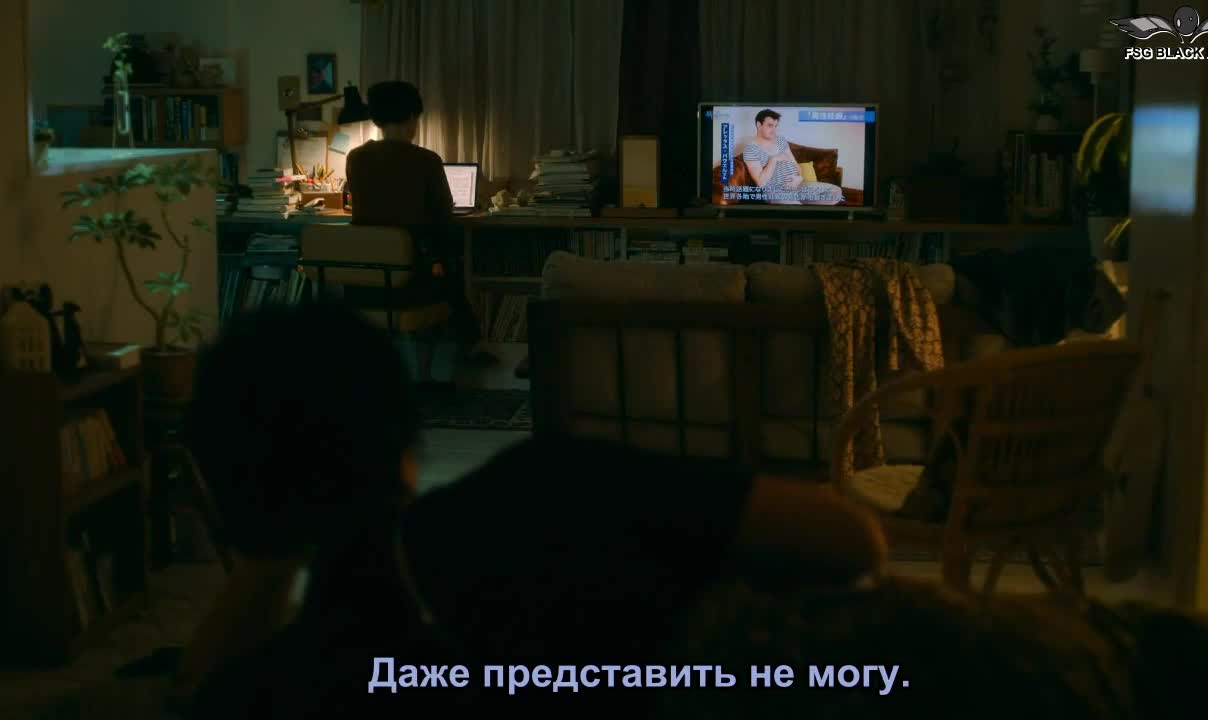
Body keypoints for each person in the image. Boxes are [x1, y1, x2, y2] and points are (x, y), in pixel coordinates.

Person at [175, 301, 888, 718]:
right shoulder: (551, 486)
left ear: (222, 489)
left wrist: (265, 548)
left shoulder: (269, 689)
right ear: (408, 440)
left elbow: (202, 692)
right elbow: (855, 541)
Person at [345, 80, 492, 363]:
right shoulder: (426, 160)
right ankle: (468, 347)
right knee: (451, 264)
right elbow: (443, 216)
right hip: (411, 284)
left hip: (364, 283)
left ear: (376, 118)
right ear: (413, 116)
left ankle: (463, 347)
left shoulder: (356, 158)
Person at [741, 109, 844, 205]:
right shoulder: (751, 149)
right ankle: (797, 204)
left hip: (797, 186)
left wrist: (799, 178)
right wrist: (773, 160)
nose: (774, 130)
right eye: (770, 125)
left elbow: (796, 166)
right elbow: (761, 183)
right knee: (793, 206)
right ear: (759, 125)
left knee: (835, 191)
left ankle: (801, 203)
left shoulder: (780, 140)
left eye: (776, 126)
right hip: (775, 191)